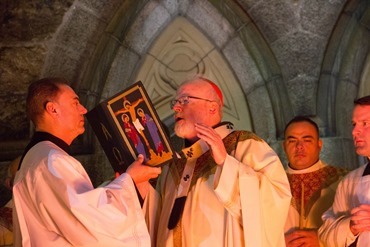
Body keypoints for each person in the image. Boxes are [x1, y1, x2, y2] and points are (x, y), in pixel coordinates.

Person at [142, 76, 292, 246]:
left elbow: (275, 202)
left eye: (184, 100)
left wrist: (226, 164)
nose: (176, 108)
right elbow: (153, 223)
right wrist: (137, 185)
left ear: (212, 108)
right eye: (175, 102)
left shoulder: (244, 145)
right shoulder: (173, 164)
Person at [12, 77, 161, 247]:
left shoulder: (40, 156)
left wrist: (128, 184)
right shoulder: (52, 161)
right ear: (53, 109)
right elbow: (92, 225)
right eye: (75, 103)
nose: (83, 110)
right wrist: (130, 182)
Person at [283, 116, 347, 247]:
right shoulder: (270, 183)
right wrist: (277, 242)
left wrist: (322, 238)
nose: (299, 146)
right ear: (284, 146)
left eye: (307, 140)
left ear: (319, 144)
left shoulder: (345, 180)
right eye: (292, 141)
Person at [318, 95, 370, 246]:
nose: (354, 132)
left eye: (365, 123)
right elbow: (325, 235)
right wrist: (351, 227)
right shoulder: (350, 181)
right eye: (354, 124)